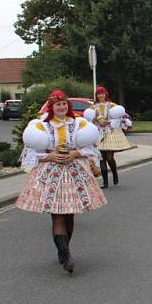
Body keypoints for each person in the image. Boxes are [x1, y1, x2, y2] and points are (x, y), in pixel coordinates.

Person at [17, 91, 106, 273]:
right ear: (51, 107)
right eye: (58, 105)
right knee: (57, 215)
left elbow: (90, 148)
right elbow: (32, 153)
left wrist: (75, 153)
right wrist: (49, 155)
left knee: (70, 215)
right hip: (51, 173)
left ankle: (64, 250)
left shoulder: (79, 123)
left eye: (64, 104)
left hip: (74, 172)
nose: (62, 107)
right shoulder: (42, 126)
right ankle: (66, 256)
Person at [83, 86, 131, 189]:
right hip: (98, 133)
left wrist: (110, 122)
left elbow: (120, 116)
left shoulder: (112, 105)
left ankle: (114, 173)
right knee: (101, 158)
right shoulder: (93, 107)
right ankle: (105, 182)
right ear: (96, 95)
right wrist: (96, 119)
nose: (101, 95)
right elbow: (90, 119)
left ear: (106, 94)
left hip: (110, 133)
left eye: (102, 93)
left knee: (109, 157)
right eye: (98, 94)